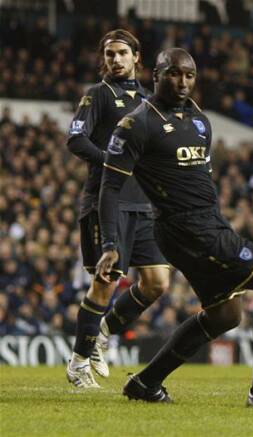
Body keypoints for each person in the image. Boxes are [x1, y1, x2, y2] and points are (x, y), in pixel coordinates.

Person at [96, 48, 253, 407]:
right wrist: (110, 243)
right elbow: (109, 188)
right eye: (175, 74)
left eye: (190, 75)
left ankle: (146, 383)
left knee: (226, 314)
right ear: (155, 75)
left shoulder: (200, 119)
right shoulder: (137, 123)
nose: (183, 82)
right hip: (189, 229)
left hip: (206, 223)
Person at [65, 29, 171, 388]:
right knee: (105, 282)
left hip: (143, 204)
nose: (115, 59)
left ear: (136, 57)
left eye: (122, 53)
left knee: (157, 282)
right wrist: (113, 161)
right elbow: (75, 138)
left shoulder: (148, 100)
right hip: (107, 201)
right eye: (109, 54)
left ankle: (104, 330)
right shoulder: (97, 95)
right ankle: (79, 362)